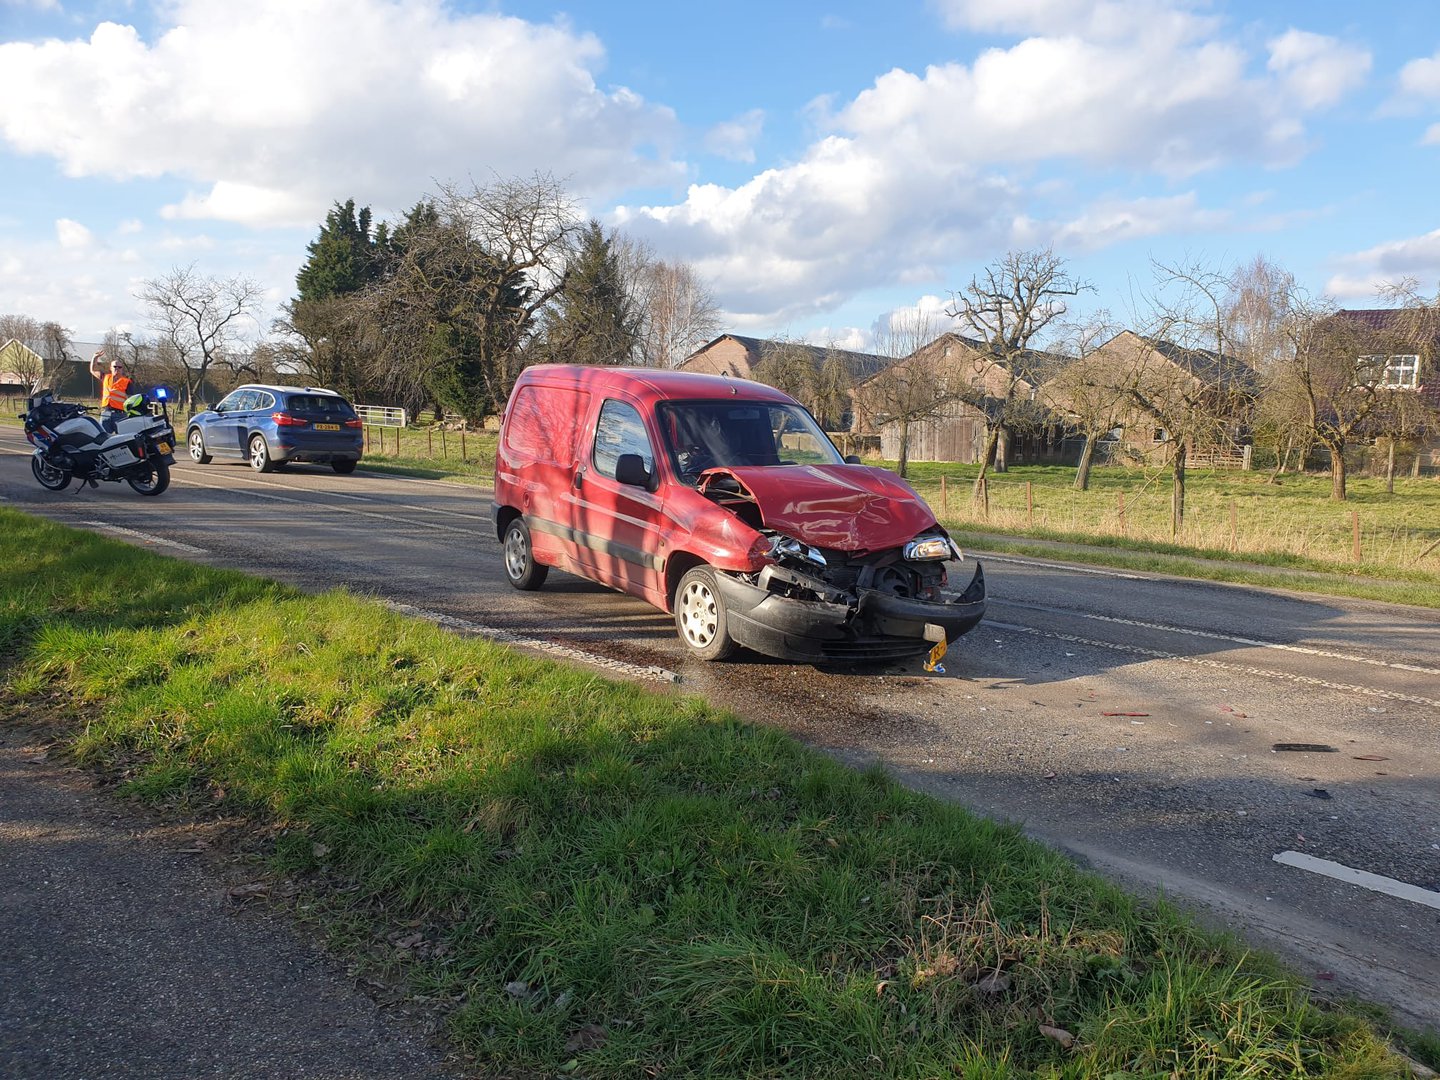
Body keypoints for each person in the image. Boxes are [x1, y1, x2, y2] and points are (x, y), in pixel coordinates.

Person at [89, 349, 138, 432]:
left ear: (122, 369)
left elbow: (131, 400)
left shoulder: (127, 382)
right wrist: (95, 357)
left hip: (120, 415)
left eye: (119, 367)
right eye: (115, 366)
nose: (117, 368)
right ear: (110, 368)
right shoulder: (105, 377)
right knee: (103, 438)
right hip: (106, 413)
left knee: (122, 438)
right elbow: (93, 370)